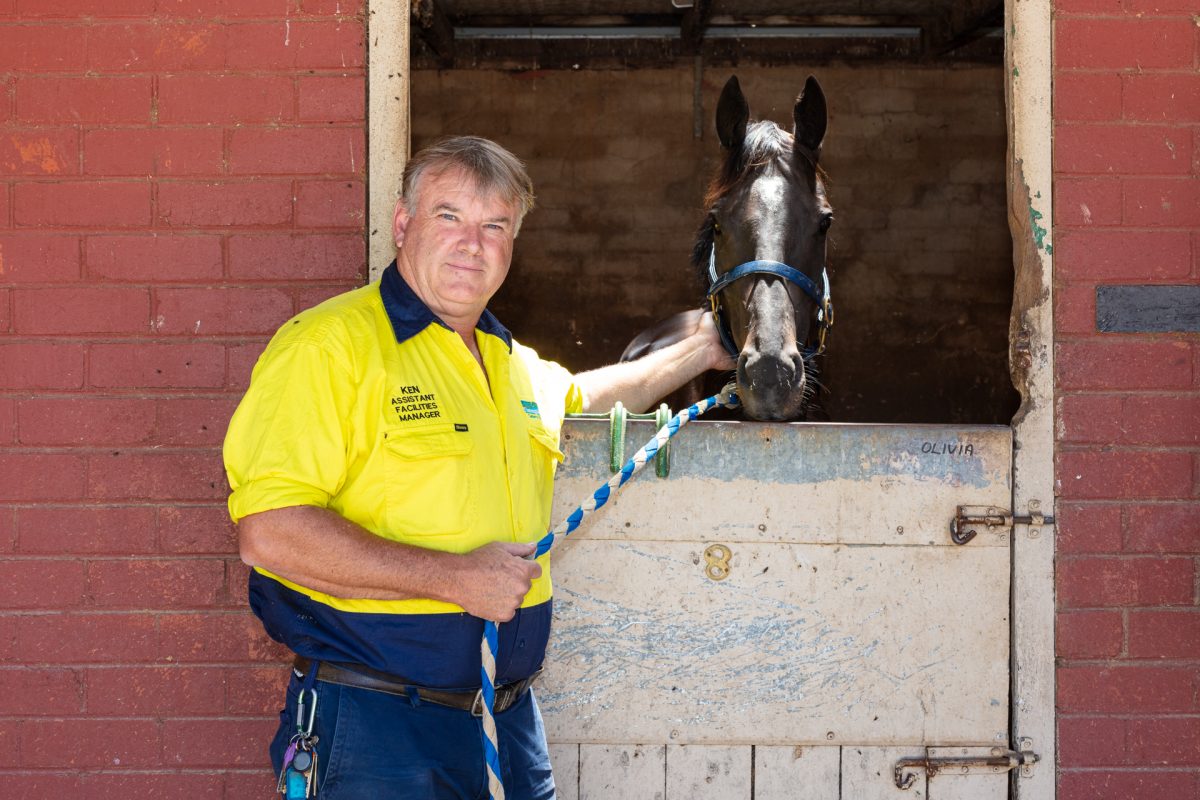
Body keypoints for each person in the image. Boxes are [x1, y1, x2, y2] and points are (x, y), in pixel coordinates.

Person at [223, 136, 733, 800]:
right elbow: (270, 531)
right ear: (403, 224)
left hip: (505, 722)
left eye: (495, 226)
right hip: (377, 730)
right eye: (449, 217)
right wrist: (453, 578)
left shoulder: (507, 361)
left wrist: (702, 352)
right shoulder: (329, 347)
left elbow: (586, 398)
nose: (473, 243)